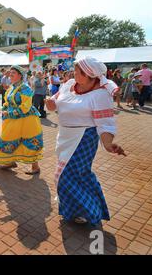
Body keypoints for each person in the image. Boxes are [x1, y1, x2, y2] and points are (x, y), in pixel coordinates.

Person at [45, 57, 126, 225]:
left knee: (65, 177)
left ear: (90, 75)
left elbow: (105, 124)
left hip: (83, 138)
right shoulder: (68, 85)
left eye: (78, 71)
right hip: (65, 137)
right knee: (80, 175)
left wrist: (108, 144)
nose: (73, 74)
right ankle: (75, 210)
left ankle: (90, 211)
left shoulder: (100, 95)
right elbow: (55, 101)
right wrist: (50, 104)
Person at [0, 65, 43, 175]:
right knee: (8, 138)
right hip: (13, 119)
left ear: (20, 75)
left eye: (13, 73)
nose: (10, 74)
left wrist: (9, 113)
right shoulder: (11, 88)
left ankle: (35, 167)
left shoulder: (25, 88)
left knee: (29, 140)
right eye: (10, 72)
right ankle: (11, 161)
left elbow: (25, 107)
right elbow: (8, 104)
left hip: (27, 120)